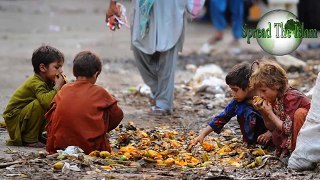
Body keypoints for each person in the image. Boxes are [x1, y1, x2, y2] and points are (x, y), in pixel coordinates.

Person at [106, 0, 205, 115]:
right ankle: (158, 91)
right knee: (139, 50)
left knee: (168, 54)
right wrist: (113, 3)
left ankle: (163, 103)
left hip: (171, 9)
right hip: (143, 8)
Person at [45, 51, 123, 154]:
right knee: (108, 110)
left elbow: (50, 116)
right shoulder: (100, 92)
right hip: (90, 149)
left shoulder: (63, 89)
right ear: (96, 73)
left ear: (74, 72)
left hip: (59, 146)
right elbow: (118, 115)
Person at [189, 62, 270, 149]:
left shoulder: (265, 97)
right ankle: (250, 141)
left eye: (235, 90)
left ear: (249, 86)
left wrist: (270, 133)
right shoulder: (237, 102)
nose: (233, 94)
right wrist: (202, 135)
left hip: (270, 138)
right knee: (243, 108)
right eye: (231, 90)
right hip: (253, 142)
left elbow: (280, 116)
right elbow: (222, 117)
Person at [3, 45, 66, 148]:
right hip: (15, 118)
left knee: (53, 103)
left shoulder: (48, 81)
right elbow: (46, 102)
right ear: (42, 68)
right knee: (41, 104)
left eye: (61, 67)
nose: (61, 71)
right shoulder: (36, 82)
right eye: (57, 67)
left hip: (24, 116)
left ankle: (36, 135)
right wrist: (58, 86)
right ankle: (30, 139)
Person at [250, 59, 311, 158]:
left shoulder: (291, 97)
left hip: (311, 136)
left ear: (277, 85)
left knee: (300, 113)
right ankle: (287, 150)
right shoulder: (275, 98)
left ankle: (297, 153)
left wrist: (270, 113)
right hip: (290, 131)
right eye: (258, 92)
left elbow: (288, 129)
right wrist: (263, 112)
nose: (261, 95)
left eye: (263, 91)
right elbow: (272, 127)